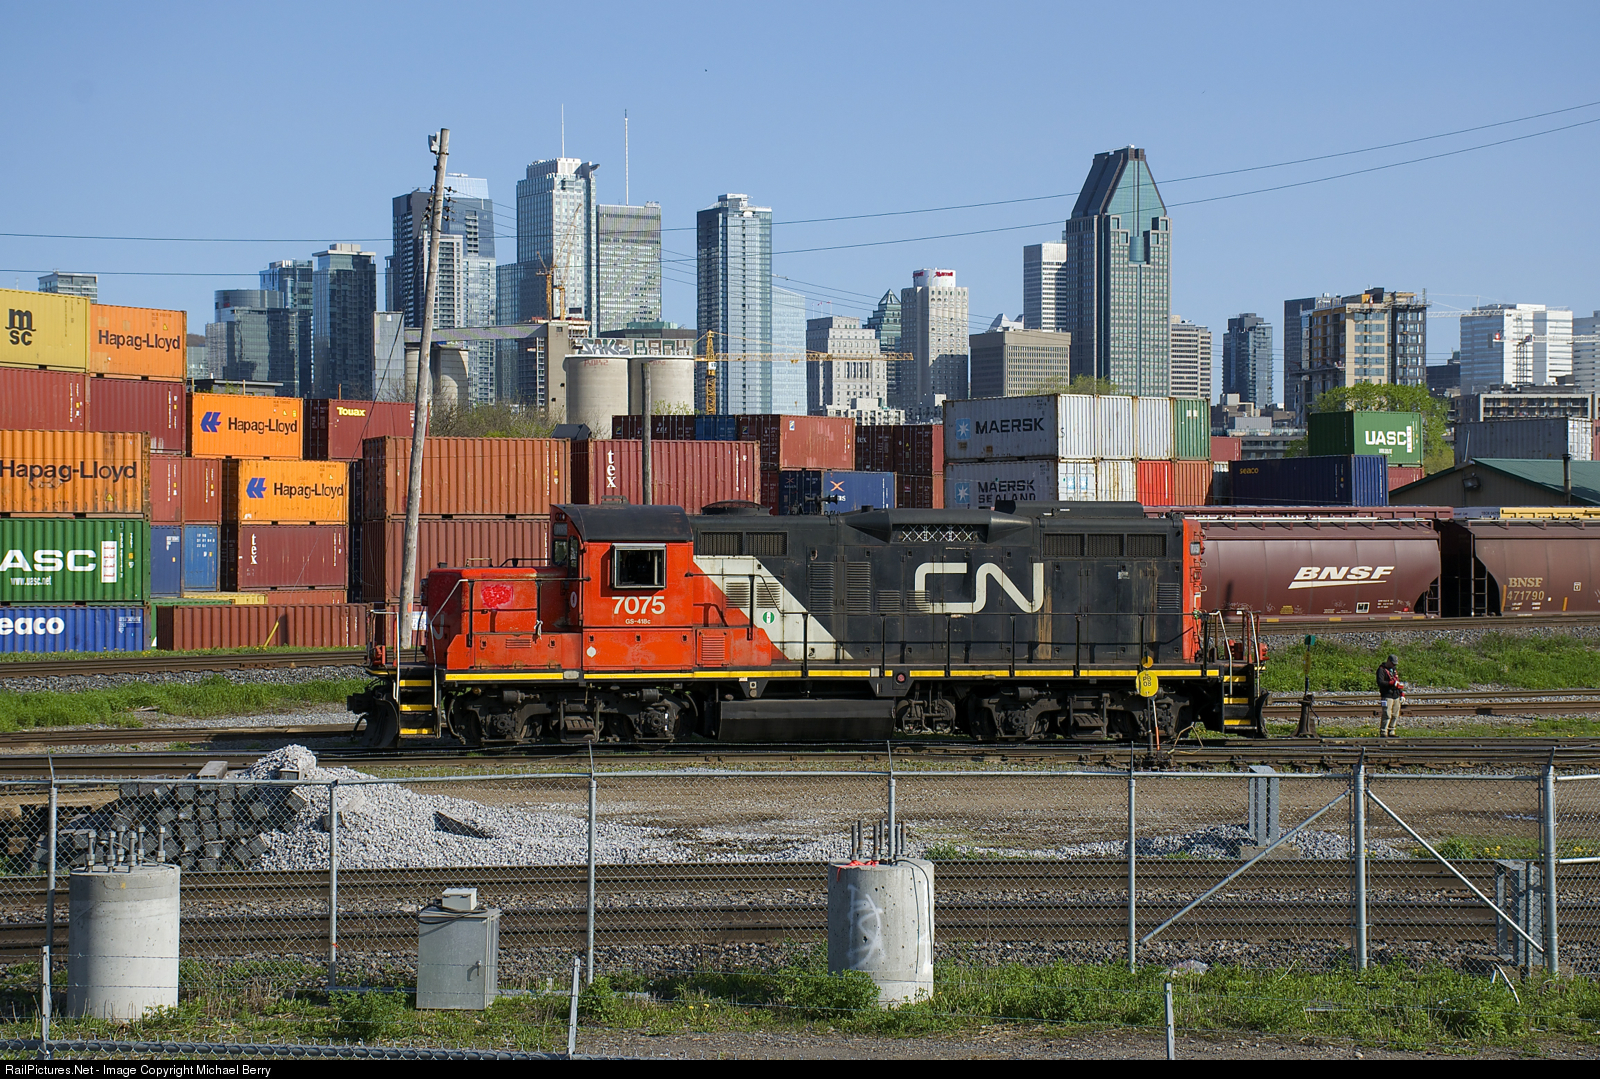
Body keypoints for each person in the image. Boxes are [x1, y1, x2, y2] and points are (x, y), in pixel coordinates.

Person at [1376, 653, 1404, 737]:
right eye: (1393, 663)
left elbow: (1397, 681)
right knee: (1387, 714)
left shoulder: (1394, 670)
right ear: (1388, 661)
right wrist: (1391, 683)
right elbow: (1380, 682)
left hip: (1395, 695)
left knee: (1395, 714)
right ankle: (1383, 731)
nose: (1394, 665)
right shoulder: (1381, 670)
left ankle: (1391, 731)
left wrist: (1401, 693)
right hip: (1387, 695)